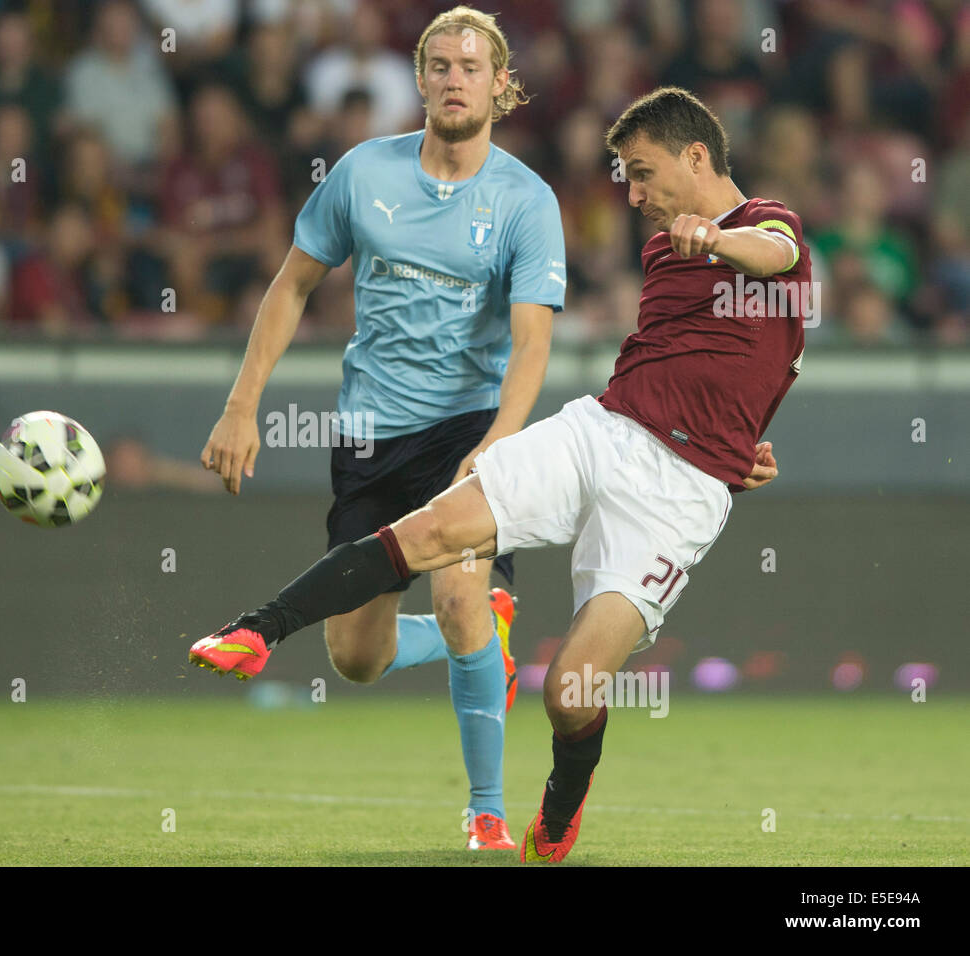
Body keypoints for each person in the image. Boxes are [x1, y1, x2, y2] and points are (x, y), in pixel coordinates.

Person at [191, 85, 802, 863]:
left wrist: (728, 428)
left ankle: (560, 808)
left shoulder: (766, 228)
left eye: (643, 174)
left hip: (679, 493)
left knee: (571, 689)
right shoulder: (660, 251)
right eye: (627, 178)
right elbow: (699, 360)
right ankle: (258, 628)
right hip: (604, 429)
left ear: (696, 156)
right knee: (435, 530)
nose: (636, 195)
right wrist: (726, 424)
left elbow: (774, 258)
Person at [198, 6, 566, 851]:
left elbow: (533, 340)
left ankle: (485, 813)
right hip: (369, 435)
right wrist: (243, 403)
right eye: (438, 65)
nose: (453, 79)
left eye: (471, 66)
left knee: (461, 588)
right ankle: (478, 645)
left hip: (467, 430)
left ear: (501, 85)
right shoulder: (364, 174)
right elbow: (291, 285)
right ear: (420, 78)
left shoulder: (526, 200)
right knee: (355, 660)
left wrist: (503, 435)